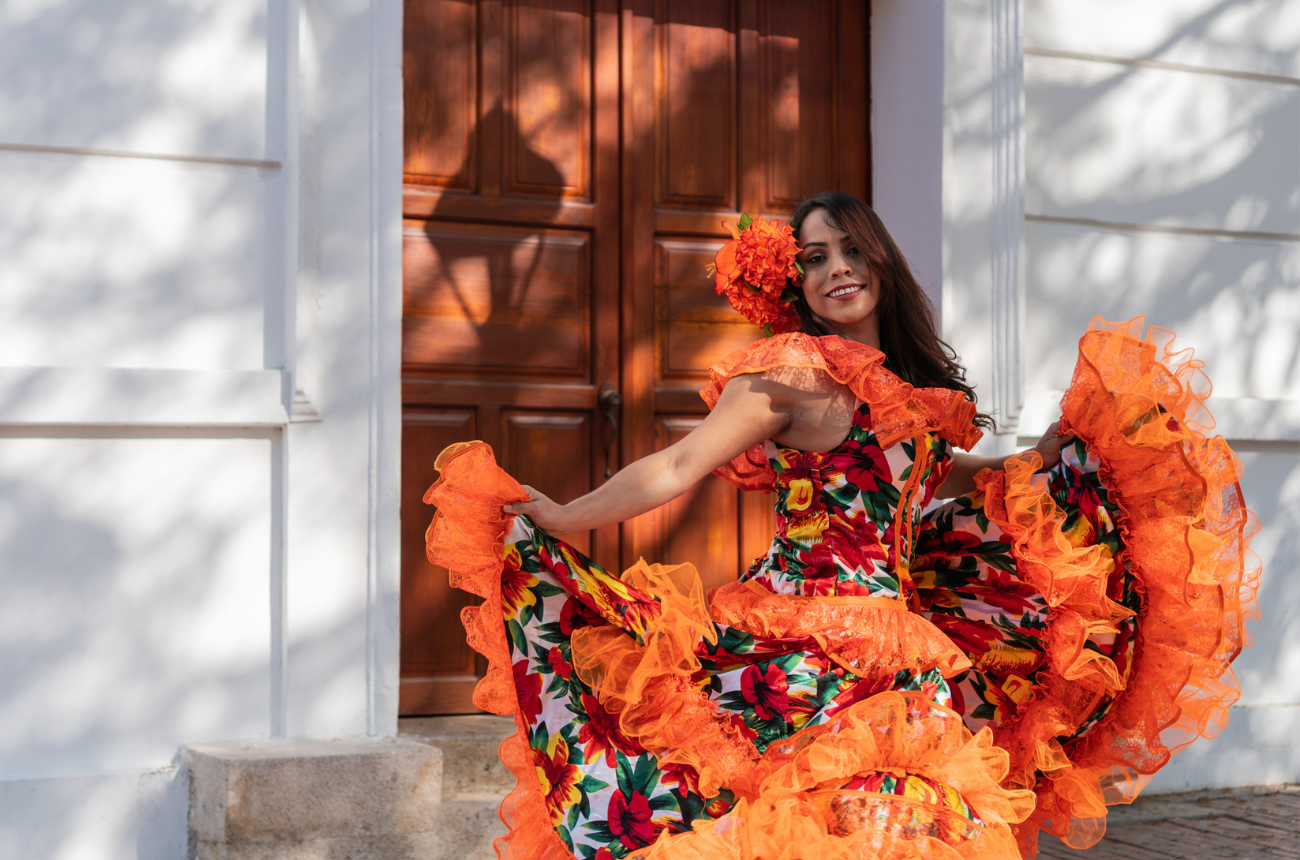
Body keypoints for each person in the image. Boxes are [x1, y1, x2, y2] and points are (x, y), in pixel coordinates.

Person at [425, 192, 1258, 860]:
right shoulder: (789, 373)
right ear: (796, 283)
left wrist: (1049, 459)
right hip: (798, 646)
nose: (837, 269)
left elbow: (940, 479)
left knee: (918, 820)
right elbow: (677, 466)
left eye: (852, 250)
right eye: (815, 258)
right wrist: (567, 515)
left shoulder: (914, 397)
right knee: (795, 816)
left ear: (882, 261)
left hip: (903, 643)